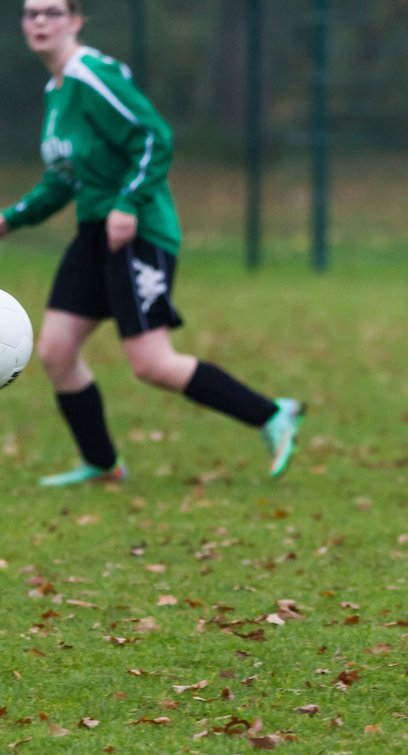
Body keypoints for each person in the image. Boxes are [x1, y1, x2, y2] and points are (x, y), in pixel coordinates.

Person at [0, 0, 303, 486]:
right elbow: (62, 178)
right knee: (56, 350)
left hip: (137, 229)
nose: (39, 21)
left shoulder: (92, 75)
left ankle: (272, 413)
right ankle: (103, 465)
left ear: (75, 21)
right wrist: (10, 219)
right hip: (94, 230)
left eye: (52, 12)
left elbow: (153, 136)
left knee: (152, 363)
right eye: (30, 13)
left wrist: (128, 203)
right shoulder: (55, 92)